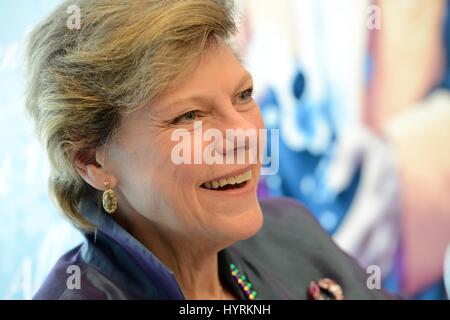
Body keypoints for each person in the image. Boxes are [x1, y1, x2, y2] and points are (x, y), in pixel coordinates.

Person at [27, 0, 387, 300]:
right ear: (92, 161)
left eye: (243, 96)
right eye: (190, 116)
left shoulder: (292, 229)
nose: (245, 135)